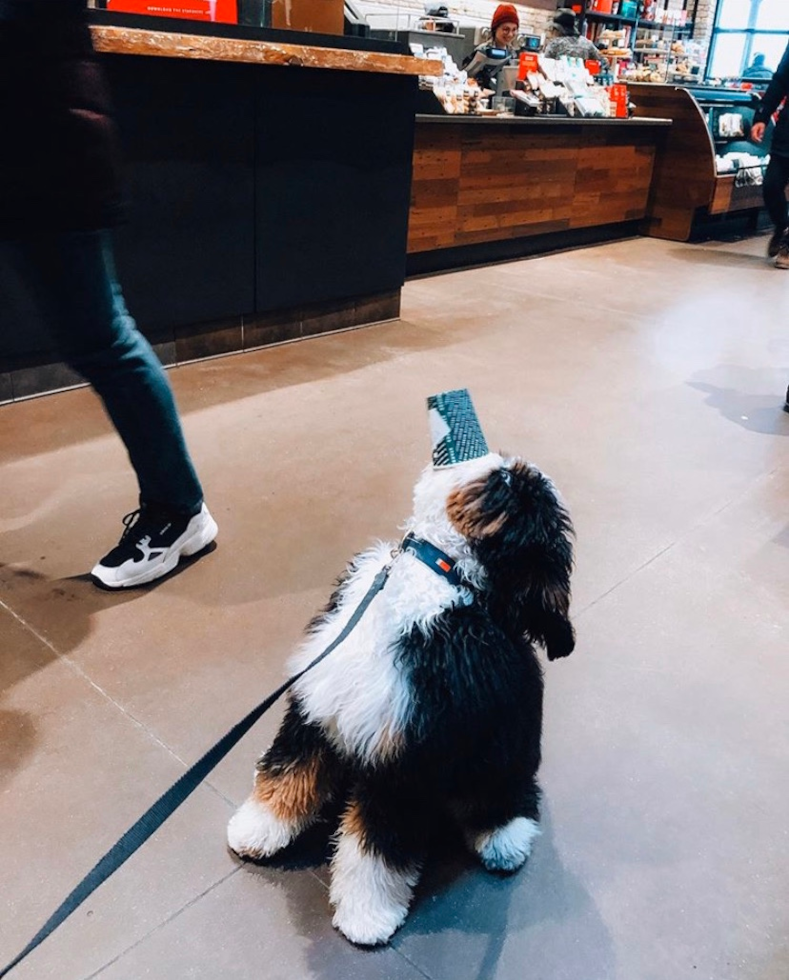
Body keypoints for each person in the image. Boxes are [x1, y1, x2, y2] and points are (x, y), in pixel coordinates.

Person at [0, 0, 218, 589]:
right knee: (100, 337)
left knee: (102, 339)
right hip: (38, 144)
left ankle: (178, 511)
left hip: (43, 153)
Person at [751, 41, 789, 270]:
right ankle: (782, 226)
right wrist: (762, 116)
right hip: (787, 132)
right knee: (771, 186)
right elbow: (780, 81)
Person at [463, 3, 520, 91]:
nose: (510, 34)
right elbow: (465, 77)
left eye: (514, 30)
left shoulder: (514, 55)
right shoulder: (482, 51)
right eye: (506, 29)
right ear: (495, 28)